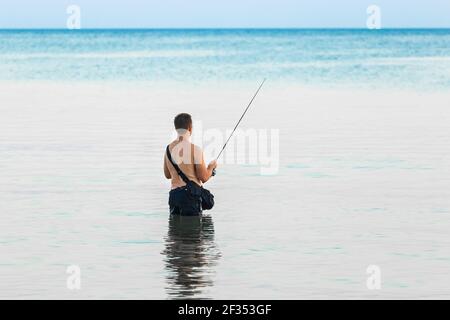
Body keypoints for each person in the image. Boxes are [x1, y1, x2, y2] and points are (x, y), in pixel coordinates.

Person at [164, 113, 217, 215]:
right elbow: (204, 177)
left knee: (175, 230)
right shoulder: (195, 150)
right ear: (190, 128)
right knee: (192, 230)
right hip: (190, 197)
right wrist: (211, 167)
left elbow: (167, 175)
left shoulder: (168, 149)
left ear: (176, 128)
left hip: (174, 196)